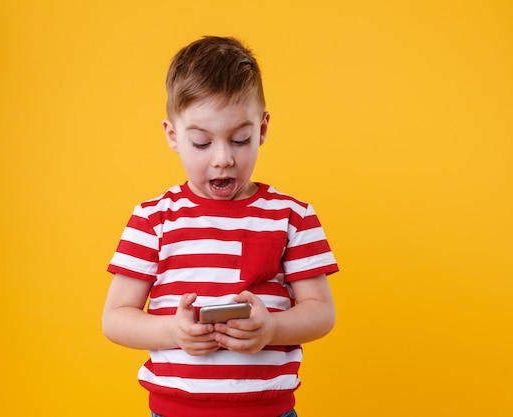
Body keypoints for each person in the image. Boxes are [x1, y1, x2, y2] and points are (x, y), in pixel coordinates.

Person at [102, 36, 339, 417]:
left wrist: (273, 329)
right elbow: (114, 318)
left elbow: (321, 312)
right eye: (201, 143)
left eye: (240, 139)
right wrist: (172, 333)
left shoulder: (293, 216)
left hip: (269, 410)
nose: (223, 159)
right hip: (174, 411)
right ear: (173, 136)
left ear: (262, 129)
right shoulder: (153, 218)